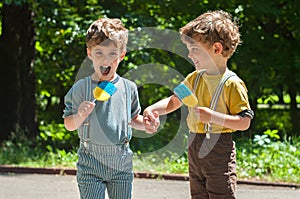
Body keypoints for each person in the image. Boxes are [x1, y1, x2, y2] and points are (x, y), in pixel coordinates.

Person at [144, 10, 254, 199]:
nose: (189, 54)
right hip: (194, 144)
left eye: (194, 49)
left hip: (219, 148)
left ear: (216, 49)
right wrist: (153, 109)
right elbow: (174, 101)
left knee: (221, 194)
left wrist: (213, 117)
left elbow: (244, 122)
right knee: (198, 194)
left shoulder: (231, 83)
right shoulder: (193, 79)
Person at [63, 18, 157, 199]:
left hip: (121, 162)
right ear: (89, 53)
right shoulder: (81, 88)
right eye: (99, 53)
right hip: (90, 162)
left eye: (112, 54)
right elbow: (69, 125)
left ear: (122, 55)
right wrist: (80, 114)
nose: (106, 60)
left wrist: (145, 125)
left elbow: (132, 118)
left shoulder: (128, 88)